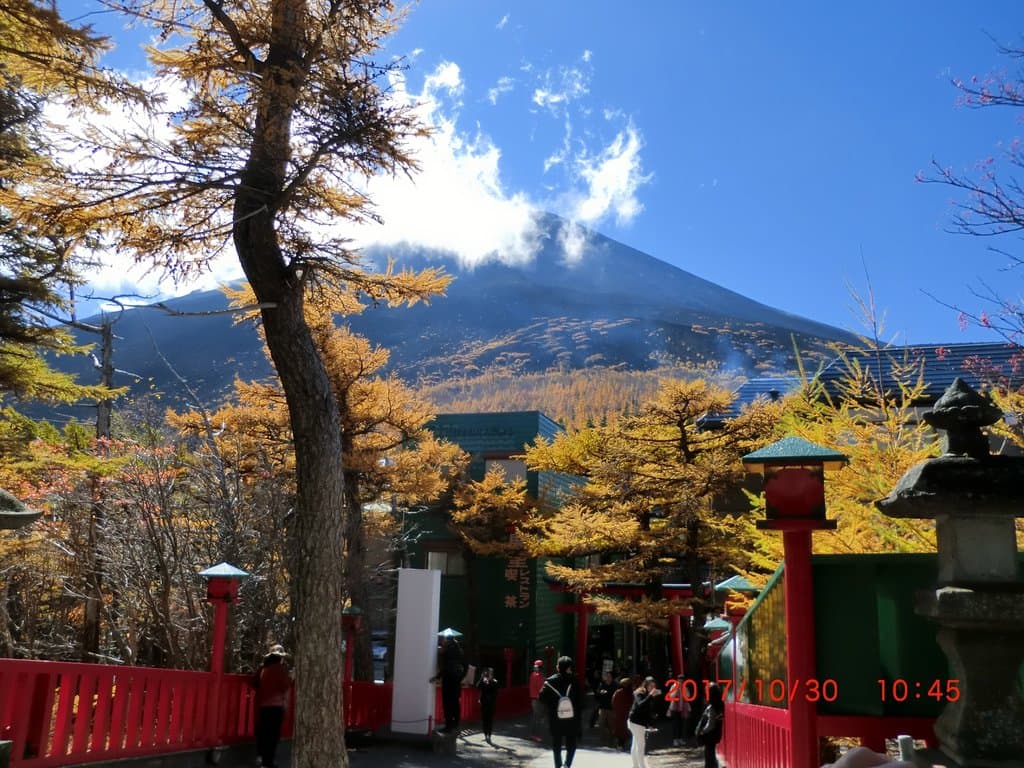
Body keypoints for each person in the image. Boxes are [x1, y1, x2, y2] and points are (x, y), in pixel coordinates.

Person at [253, 644, 292, 768]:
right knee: (273, 736)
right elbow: (285, 685)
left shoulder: (264, 669)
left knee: (264, 733)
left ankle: (262, 759)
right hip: (276, 707)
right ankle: (268, 762)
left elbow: (254, 683)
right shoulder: (280, 670)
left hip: (262, 706)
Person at [538, 656, 582, 768]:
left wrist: (551, 704)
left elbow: (541, 698)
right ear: (569, 668)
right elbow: (581, 701)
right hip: (572, 718)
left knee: (556, 743)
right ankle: (567, 764)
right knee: (571, 743)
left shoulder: (549, 681)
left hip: (555, 717)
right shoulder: (575, 681)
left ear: (558, 667)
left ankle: (558, 765)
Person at [431, 633, 465, 732]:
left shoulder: (448, 650)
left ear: (447, 639)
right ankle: (456, 724)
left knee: (447, 703)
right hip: (457, 679)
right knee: (455, 702)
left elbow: (447, 666)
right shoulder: (459, 650)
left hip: (449, 679)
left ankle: (448, 726)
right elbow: (464, 665)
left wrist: (437, 677)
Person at [627, 676, 660, 768]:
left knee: (636, 744)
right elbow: (641, 705)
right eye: (650, 686)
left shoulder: (649, 695)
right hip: (635, 722)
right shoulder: (640, 692)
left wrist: (650, 725)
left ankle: (636, 765)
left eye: (654, 686)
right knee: (640, 745)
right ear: (646, 685)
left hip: (638, 722)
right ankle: (641, 766)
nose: (652, 688)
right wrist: (650, 696)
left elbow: (648, 712)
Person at [696, 682, 725, 768]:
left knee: (709, 756)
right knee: (711, 754)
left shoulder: (712, 707)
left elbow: (710, 724)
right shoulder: (720, 705)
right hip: (715, 734)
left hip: (709, 736)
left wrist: (702, 732)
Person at [591, 670, 616, 745]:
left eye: (609, 676)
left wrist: (607, 693)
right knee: (601, 724)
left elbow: (615, 695)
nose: (607, 678)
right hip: (602, 707)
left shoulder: (615, 685)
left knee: (611, 725)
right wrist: (600, 692)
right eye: (606, 676)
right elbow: (597, 693)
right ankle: (603, 741)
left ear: (612, 677)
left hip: (611, 708)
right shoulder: (602, 684)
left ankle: (612, 740)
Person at [477, 667, 500, 744]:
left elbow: (496, 693)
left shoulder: (495, 682)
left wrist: (489, 682)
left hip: (491, 704)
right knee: (484, 720)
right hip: (484, 703)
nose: (489, 674)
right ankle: (485, 735)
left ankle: (489, 735)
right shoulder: (484, 680)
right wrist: (481, 678)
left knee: (489, 720)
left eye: (490, 673)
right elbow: (477, 687)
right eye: (488, 673)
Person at [667, 672, 690, 746]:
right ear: (677, 679)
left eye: (682, 678)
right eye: (680, 678)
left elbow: (688, 696)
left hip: (682, 708)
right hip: (674, 708)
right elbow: (671, 696)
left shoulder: (685, 687)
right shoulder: (673, 686)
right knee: (675, 724)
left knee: (681, 724)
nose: (681, 680)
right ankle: (675, 739)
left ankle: (680, 739)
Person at [610, 676, 633, 751]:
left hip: (619, 715)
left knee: (620, 730)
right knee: (626, 729)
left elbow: (613, 702)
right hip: (627, 714)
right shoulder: (630, 694)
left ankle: (620, 745)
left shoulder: (618, 692)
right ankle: (625, 744)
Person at [529, 659, 546, 742]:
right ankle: (536, 735)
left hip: (534, 698)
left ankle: (534, 734)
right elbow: (542, 687)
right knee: (538, 717)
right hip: (538, 699)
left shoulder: (533, 675)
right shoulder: (539, 676)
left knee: (536, 717)